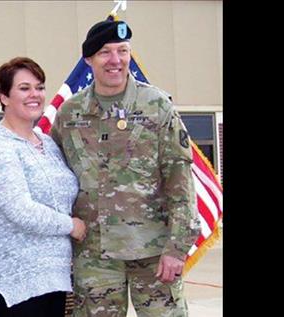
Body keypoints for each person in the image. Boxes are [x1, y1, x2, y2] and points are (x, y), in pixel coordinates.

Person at [51, 20, 201, 317]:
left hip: (154, 251)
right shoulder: (70, 115)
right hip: (95, 253)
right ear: (89, 60)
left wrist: (177, 247)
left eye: (123, 51)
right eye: (105, 52)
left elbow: (180, 181)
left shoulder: (156, 106)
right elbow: (55, 179)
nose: (116, 60)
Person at [0, 56, 86, 317]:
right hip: (14, 280)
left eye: (40, 87)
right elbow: (21, 210)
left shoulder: (48, 144)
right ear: (4, 96)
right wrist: (72, 226)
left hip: (52, 278)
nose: (35, 94)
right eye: (24, 88)